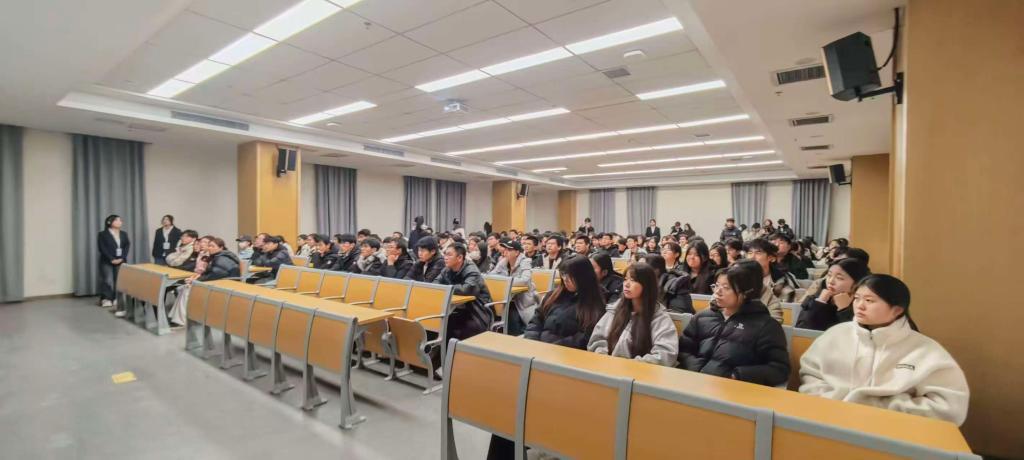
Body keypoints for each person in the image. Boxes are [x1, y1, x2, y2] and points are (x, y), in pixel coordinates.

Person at [799, 275, 969, 426]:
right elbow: (811, 376)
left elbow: (949, 409)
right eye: (857, 298)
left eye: (869, 300)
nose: (859, 306)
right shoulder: (835, 335)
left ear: (897, 310)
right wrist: (832, 404)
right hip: (830, 423)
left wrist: (880, 408)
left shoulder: (925, 351)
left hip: (897, 434)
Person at [487, 256, 608, 459]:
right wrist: (533, 342)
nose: (565, 280)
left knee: (528, 410)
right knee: (509, 413)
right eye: (563, 276)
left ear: (583, 277)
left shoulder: (595, 304)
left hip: (566, 366)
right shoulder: (554, 295)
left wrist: (552, 350)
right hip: (537, 358)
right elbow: (536, 321)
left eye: (570, 277)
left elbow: (585, 339)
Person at [678, 260, 790, 386]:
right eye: (716, 286)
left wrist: (737, 375)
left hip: (731, 389)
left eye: (726, 288)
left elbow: (779, 368)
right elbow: (683, 349)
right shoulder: (703, 316)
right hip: (693, 382)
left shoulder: (766, 326)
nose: (717, 292)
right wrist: (696, 368)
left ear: (745, 293)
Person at [588, 264, 678, 366]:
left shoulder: (658, 317)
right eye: (625, 279)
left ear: (647, 285)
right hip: (607, 368)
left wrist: (633, 365)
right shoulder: (616, 309)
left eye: (633, 280)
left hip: (640, 372)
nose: (626, 284)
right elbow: (598, 339)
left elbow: (665, 353)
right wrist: (603, 356)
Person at [434, 244, 492, 354]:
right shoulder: (447, 269)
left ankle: (456, 358)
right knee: (440, 323)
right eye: (445, 254)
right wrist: (448, 288)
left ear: (460, 257)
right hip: (459, 309)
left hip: (477, 311)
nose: (445, 257)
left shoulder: (471, 270)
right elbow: (435, 283)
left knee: (459, 327)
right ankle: (443, 358)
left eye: (449, 255)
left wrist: (447, 288)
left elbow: (466, 290)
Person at [795, 258, 870, 331]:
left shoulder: (863, 306)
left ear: (857, 283)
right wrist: (820, 302)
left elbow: (854, 334)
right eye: (829, 275)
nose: (830, 281)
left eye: (839, 278)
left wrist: (844, 310)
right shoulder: (815, 299)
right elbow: (802, 331)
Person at [488, 240, 538, 335]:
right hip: (508, 298)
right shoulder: (503, 261)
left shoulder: (525, 262)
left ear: (517, 252)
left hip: (523, 301)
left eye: (509, 250)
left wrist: (504, 282)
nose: (505, 251)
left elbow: (525, 280)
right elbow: (491, 276)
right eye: (505, 249)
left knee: (511, 315)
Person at [743, 239, 788, 321]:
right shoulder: (739, 278)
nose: (752, 257)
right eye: (750, 253)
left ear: (771, 258)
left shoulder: (781, 280)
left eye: (758, 253)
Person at [98, 214, 131, 313]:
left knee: (119, 280)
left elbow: (127, 246)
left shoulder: (124, 234)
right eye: (117, 220)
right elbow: (102, 248)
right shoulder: (102, 234)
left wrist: (122, 258)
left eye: (120, 220)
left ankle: (117, 298)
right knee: (107, 280)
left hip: (121, 260)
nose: (120, 222)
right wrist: (111, 258)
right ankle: (106, 299)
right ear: (110, 222)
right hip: (107, 260)